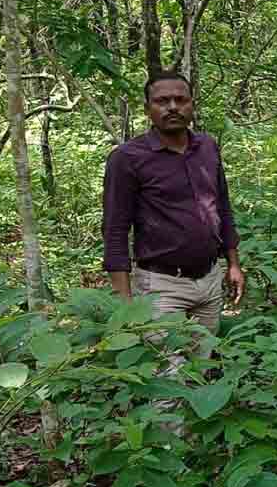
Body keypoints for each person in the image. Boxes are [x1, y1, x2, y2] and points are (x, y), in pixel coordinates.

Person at [102, 69, 246, 421]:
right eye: (161, 101)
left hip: (209, 281)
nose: (172, 107)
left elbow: (222, 206)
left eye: (180, 99)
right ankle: (169, 462)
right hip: (161, 286)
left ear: (192, 104)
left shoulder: (207, 147)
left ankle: (196, 455)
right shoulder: (128, 158)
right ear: (148, 108)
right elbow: (115, 229)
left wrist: (233, 262)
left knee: (200, 373)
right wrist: (125, 304)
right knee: (167, 382)